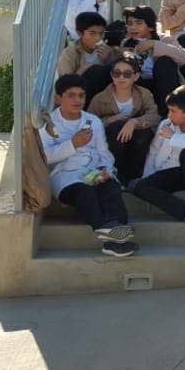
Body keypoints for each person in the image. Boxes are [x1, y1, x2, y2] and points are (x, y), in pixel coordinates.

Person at [39, 74, 137, 257]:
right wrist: (73, 144)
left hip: (93, 170)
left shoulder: (93, 121)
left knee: (111, 188)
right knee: (85, 192)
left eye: (81, 95)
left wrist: (105, 171)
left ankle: (116, 232)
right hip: (65, 177)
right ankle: (109, 236)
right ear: (58, 99)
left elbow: (104, 153)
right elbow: (45, 157)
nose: (78, 100)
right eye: (71, 95)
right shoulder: (48, 125)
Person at [132, 85, 185, 222]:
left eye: (173, 111)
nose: (169, 115)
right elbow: (153, 152)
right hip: (169, 173)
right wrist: (147, 177)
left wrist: (173, 137)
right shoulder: (166, 124)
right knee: (140, 187)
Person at [88, 52, 160, 185]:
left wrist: (134, 122)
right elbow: (88, 124)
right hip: (111, 143)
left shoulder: (144, 94)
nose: (121, 77)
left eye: (127, 74)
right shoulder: (100, 99)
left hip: (136, 142)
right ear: (112, 75)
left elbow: (154, 116)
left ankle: (134, 176)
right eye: (117, 73)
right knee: (117, 126)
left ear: (136, 76)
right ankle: (116, 173)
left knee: (144, 132)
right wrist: (108, 121)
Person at [119, 5, 185, 112]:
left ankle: (167, 112)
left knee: (164, 62)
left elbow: (184, 57)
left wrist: (154, 45)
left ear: (150, 27)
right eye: (130, 23)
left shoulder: (164, 39)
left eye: (138, 23)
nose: (133, 27)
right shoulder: (126, 44)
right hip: (139, 86)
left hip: (162, 86)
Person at [57, 11, 112, 99]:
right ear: (79, 33)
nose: (98, 38)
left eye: (101, 33)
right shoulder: (69, 55)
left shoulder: (107, 50)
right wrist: (85, 68)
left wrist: (108, 59)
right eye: (92, 33)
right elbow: (66, 85)